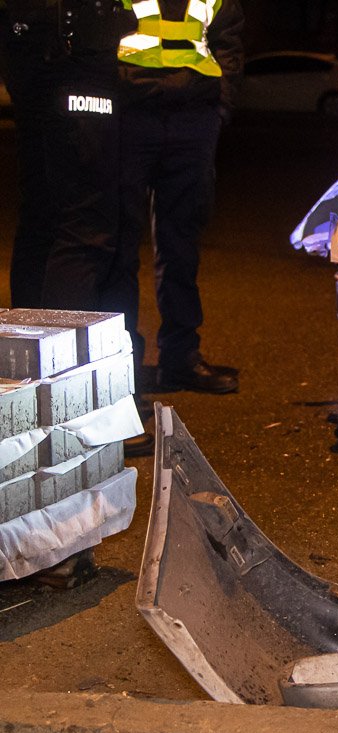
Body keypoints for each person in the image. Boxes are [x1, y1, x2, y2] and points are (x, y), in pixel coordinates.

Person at [0, 0, 153, 456]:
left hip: (37, 46)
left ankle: (27, 392)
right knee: (87, 229)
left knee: (45, 219)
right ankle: (74, 409)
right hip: (75, 47)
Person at [112, 0, 244, 394]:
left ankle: (180, 358)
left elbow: (228, 43)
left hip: (193, 120)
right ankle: (121, 366)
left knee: (181, 244)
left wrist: (218, 106)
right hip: (129, 114)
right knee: (117, 245)